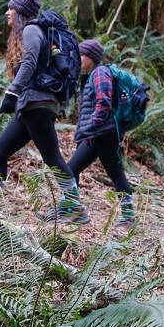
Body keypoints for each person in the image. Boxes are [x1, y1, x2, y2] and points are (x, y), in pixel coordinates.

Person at [0, 0, 89, 225]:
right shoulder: (37, 31)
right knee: (0, 152)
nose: (7, 13)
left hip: (36, 104)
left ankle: (75, 208)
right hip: (31, 106)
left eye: (11, 9)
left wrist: (12, 91)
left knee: (52, 157)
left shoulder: (31, 30)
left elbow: (29, 61)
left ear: (21, 12)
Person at [64, 39, 135, 228]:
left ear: (90, 57)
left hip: (101, 134)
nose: (78, 59)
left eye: (81, 55)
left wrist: (90, 129)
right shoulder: (93, 75)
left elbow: (103, 103)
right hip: (99, 135)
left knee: (74, 170)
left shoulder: (100, 73)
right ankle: (73, 210)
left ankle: (75, 211)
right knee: (78, 170)